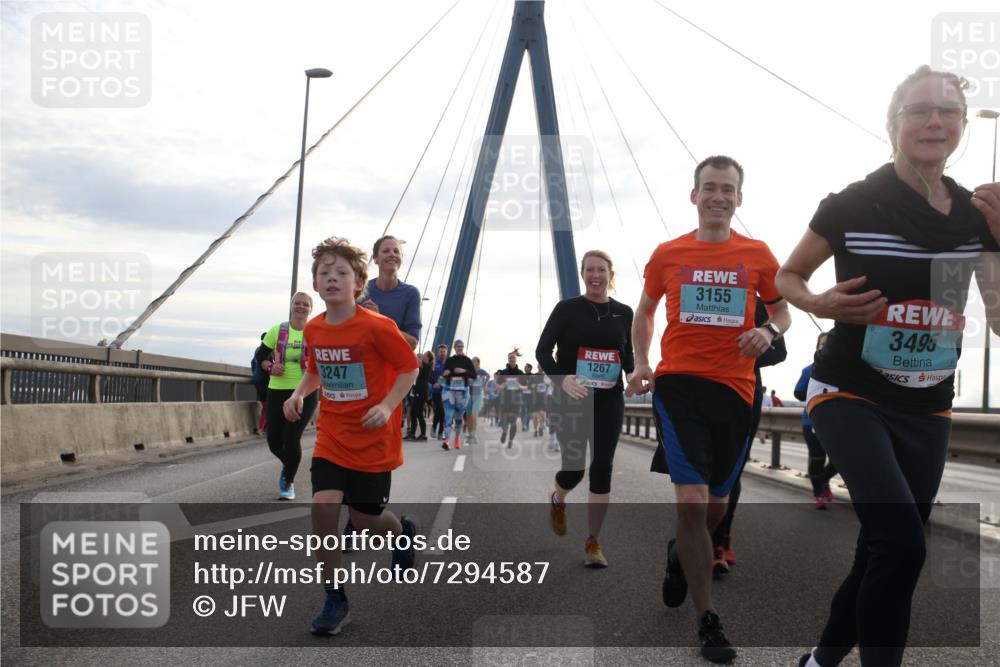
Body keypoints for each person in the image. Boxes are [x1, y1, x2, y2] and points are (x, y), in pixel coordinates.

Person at [775, 66, 1000, 667]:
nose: (935, 121)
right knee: (902, 544)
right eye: (920, 110)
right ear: (893, 123)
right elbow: (787, 276)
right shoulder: (852, 202)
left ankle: (820, 661)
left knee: (883, 548)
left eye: (949, 111)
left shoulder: (978, 217)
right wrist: (819, 302)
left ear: (960, 127)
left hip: (928, 405)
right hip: (848, 390)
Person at [629, 155, 791, 663]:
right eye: (709, 188)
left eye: (727, 189)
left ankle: (681, 555)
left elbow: (785, 309)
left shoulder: (759, 254)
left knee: (715, 509)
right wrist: (641, 362)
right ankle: (707, 619)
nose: (718, 196)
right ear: (694, 195)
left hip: (737, 392)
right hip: (679, 388)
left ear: (739, 198)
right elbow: (645, 309)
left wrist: (767, 330)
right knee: (693, 502)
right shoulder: (668, 253)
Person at [283, 237, 420, 637]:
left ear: (359, 285)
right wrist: (296, 394)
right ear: (315, 281)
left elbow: (408, 369)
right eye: (324, 273)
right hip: (332, 439)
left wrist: (388, 405)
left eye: (341, 272)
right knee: (324, 512)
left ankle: (402, 532)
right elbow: (315, 370)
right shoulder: (315, 330)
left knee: (365, 518)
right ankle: (334, 596)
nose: (331, 279)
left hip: (374, 441)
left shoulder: (378, 327)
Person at [536, 249, 634, 568]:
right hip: (571, 399)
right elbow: (542, 352)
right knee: (575, 469)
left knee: (602, 466)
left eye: (601, 270)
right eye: (590, 270)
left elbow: (628, 357)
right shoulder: (567, 309)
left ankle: (593, 541)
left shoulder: (624, 312)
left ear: (610, 275)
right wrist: (562, 380)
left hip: (609, 399)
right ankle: (558, 498)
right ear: (582, 275)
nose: (595, 275)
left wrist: (636, 378)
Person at [255, 292, 318, 500]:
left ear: (311, 308)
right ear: (291, 306)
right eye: (297, 303)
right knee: (273, 440)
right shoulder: (278, 330)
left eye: (305, 304)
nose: (301, 307)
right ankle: (291, 463)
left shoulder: (315, 332)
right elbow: (260, 356)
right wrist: (270, 367)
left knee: (292, 439)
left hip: (304, 391)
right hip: (277, 389)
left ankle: (288, 480)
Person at [794, 332, 837, 509]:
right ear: (817, 347)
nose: (824, 347)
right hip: (812, 422)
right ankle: (818, 493)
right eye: (821, 344)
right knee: (817, 459)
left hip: (838, 422)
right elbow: (798, 392)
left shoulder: (844, 369)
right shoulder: (809, 370)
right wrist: (816, 394)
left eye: (828, 344)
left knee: (841, 460)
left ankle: (824, 480)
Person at [359, 235, 421, 349]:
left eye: (396, 251)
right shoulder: (361, 291)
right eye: (386, 251)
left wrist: (379, 321)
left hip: (395, 364)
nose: (392, 254)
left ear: (401, 257)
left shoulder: (411, 294)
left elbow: (412, 343)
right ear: (375, 258)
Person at [440, 340, 476, 450]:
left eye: (461, 346)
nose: (460, 348)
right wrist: (445, 374)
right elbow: (444, 373)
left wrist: (463, 371)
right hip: (449, 390)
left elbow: (474, 375)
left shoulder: (467, 360)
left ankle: (456, 439)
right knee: (448, 416)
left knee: (459, 418)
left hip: (463, 392)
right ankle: (446, 441)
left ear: (463, 347)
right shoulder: (450, 360)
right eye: (458, 346)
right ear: (455, 348)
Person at [497, 350, 525, 447]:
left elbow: (526, 386)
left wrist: (519, 386)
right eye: (510, 358)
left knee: (513, 422)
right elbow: (498, 385)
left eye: (513, 357)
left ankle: (511, 440)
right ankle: (504, 432)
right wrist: (502, 385)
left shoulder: (521, 373)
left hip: (516, 400)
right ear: (508, 359)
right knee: (504, 421)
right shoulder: (503, 372)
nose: (512, 359)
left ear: (516, 359)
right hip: (505, 399)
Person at [404, 351, 433, 441]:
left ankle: (423, 434)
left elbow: (418, 361)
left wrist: (411, 351)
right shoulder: (421, 365)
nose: (422, 356)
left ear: (428, 358)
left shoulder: (427, 366)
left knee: (419, 413)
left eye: (424, 355)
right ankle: (412, 433)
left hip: (422, 392)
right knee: (413, 413)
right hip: (416, 391)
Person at [251, 332, 272, 434]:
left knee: (265, 404)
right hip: (264, 381)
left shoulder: (257, 351)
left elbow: (253, 364)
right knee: (267, 406)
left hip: (256, 380)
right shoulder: (267, 353)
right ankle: (262, 428)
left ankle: (264, 427)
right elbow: (268, 368)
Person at [465, 356, 489, 444]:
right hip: (469, 395)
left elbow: (488, 376)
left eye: (475, 361)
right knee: (468, 416)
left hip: (478, 395)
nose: (473, 362)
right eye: (472, 361)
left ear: (478, 362)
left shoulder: (481, 371)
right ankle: (470, 433)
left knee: (474, 415)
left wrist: (484, 384)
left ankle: (473, 434)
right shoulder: (469, 372)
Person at [430, 344, 447, 439]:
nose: (442, 353)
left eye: (444, 351)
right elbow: (429, 375)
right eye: (441, 351)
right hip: (436, 391)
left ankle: (441, 432)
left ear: (446, 352)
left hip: (446, 391)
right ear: (438, 352)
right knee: (440, 410)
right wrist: (433, 383)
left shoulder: (449, 363)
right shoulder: (434, 363)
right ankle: (434, 427)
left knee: (443, 412)